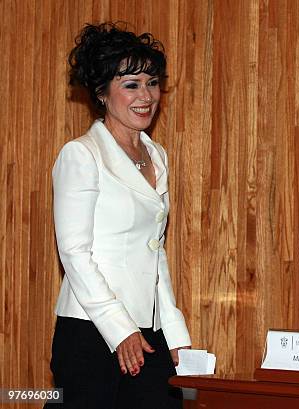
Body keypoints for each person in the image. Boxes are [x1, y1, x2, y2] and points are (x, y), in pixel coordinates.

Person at [45, 22, 191, 409]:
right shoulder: (81, 155)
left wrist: (175, 334)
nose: (146, 96)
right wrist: (120, 328)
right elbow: (75, 254)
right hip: (91, 331)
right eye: (131, 84)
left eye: (152, 82)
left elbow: (154, 251)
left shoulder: (156, 155)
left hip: (149, 329)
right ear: (102, 93)